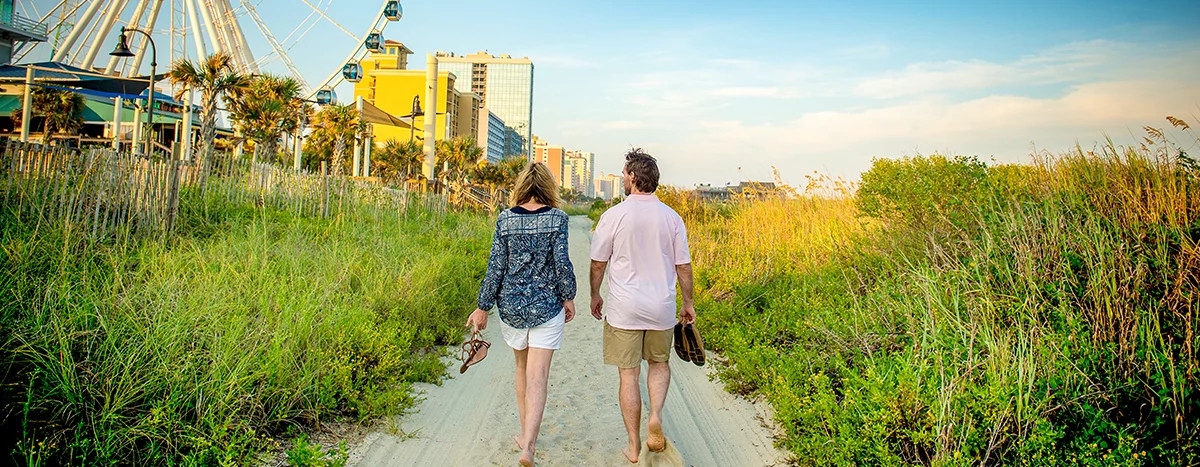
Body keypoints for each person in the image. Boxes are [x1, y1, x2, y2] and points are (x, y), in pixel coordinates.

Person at [589, 148, 695, 463]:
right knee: (659, 365)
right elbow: (684, 267)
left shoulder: (613, 216)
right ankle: (656, 416)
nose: (622, 178)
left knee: (628, 375)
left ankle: (634, 446)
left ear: (634, 178)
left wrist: (595, 294)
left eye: (624, 174)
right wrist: (688, 302)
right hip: (661, 307)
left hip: (624, 309)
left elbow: (598, 263)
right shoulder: (672, 217)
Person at [467, 162, 576, 467]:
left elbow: (496, 266)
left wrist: (482, 306)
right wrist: (569, 297)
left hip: (512, 308)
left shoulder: (505, 220)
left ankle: (523, 434)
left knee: (521, 370)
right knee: (538, 376)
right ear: (548, 187)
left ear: (520, 187)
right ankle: (529, 444)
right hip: (547, 306)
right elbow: (562, 264)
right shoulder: (558, 219)